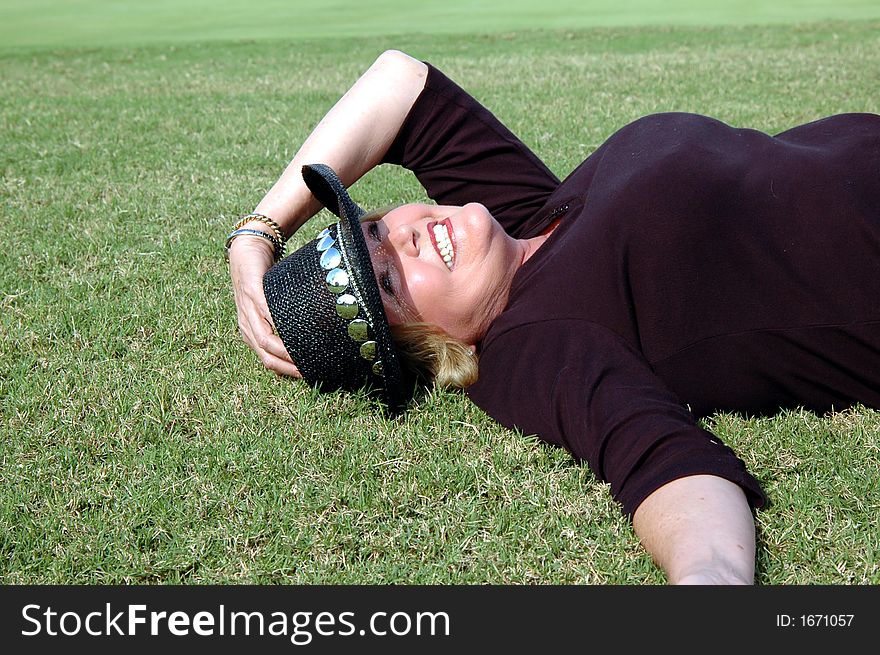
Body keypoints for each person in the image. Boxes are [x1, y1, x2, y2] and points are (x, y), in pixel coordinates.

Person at [227, 50, 880, 584]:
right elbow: (656, 455)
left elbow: (400, 82)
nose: (408, 233)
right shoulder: (530, 344)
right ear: (431, 343)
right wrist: (711, 578)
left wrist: (255, 235)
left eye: (375, 227)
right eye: (393, 282)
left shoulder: (529, 215)